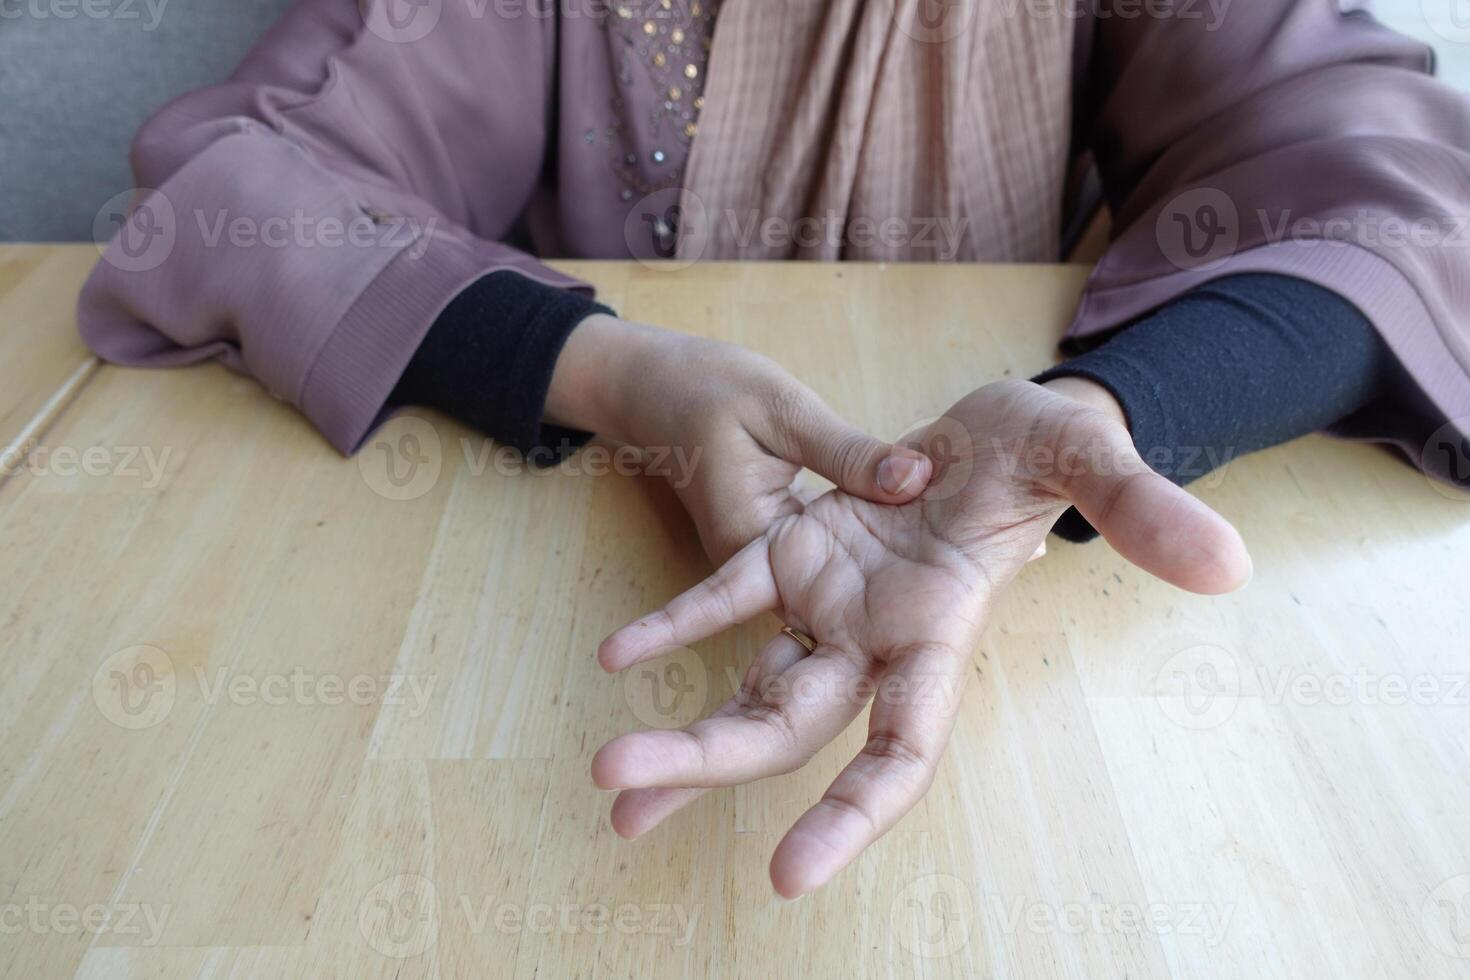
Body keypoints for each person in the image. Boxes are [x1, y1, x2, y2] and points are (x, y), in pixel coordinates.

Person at [79, 0, 1470, 897]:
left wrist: (1113, 415)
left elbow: (1395, 193)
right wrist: (620, 374)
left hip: (1040, 682)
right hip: (515, 625)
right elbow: (234, 185)